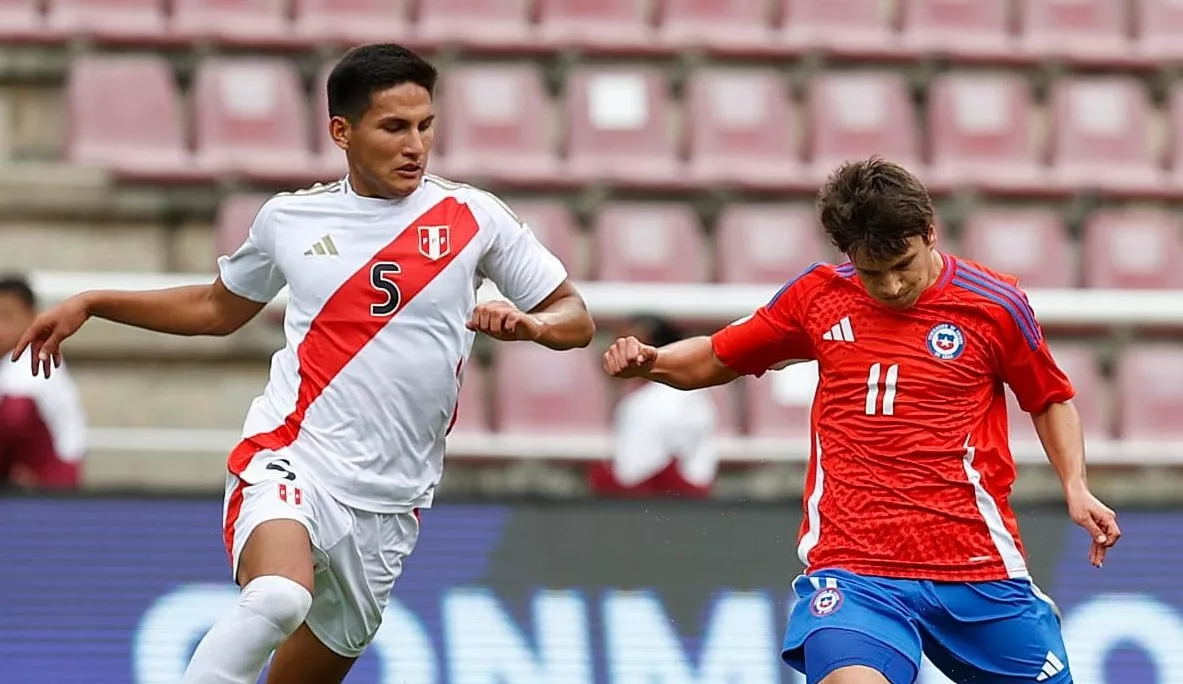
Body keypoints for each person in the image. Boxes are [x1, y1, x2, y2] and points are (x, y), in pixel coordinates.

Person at [13, 43, 594, 684]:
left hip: (392, 502)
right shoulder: (289, 220)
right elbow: (216, 308)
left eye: (425, 126)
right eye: (393, 127)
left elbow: (576, 316)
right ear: (341, 132)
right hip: (293, 457)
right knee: (279, 596)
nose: (416, 146)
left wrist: (535, 325)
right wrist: (97, 302)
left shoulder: (472, 217)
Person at [603, 157, 1119, 684]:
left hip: (976, 564)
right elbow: (718, 355)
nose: (892, 286)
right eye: (873, 272)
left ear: (929, 232)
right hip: (856, 568)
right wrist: (657, 361)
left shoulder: (995, 304)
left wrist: (1075, 488)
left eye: (904, 264)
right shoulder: (818, 298)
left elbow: (1050, 399)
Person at [588, 315, 717, 498]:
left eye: (624, 346)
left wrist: (597, 478)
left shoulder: (651, 402)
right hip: (685, 504)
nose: (614, 352)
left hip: (659, 506)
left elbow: (636, 478)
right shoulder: (689, 392)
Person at [0, 275, 87, 490]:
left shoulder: (34, 361)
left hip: (48, 479)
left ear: (32, 317)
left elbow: (15, 419)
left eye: (7, 317)